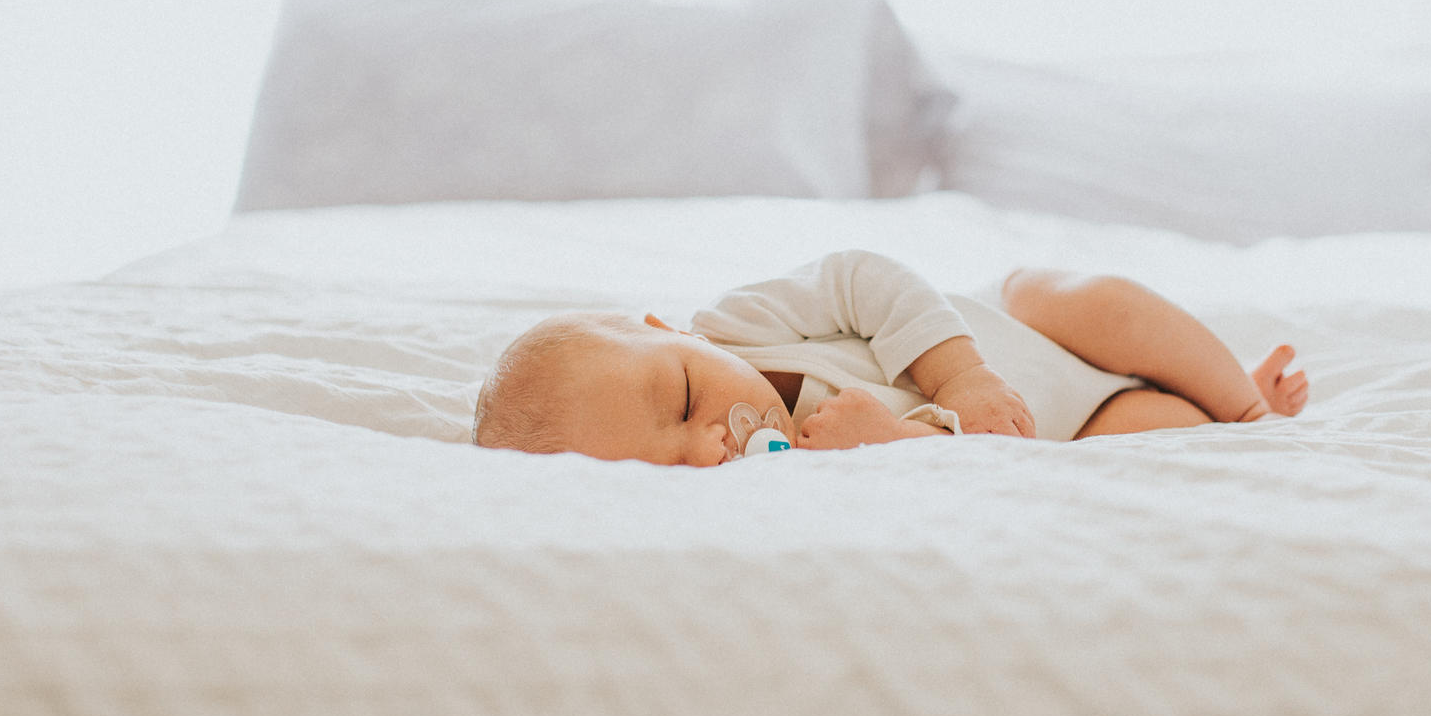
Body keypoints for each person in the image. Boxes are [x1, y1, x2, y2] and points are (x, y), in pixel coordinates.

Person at [471, 250, 1307, 465]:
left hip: (1029, 335)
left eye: (685, 396)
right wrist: (896, 444)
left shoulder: (736, 322)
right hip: (1072, 424)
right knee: (1153, 444)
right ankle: (1218, 414)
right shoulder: (794, 470)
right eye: (668, 465)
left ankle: (1244, 401)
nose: (708, 443)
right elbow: (983, 473)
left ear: (672, 331)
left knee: (1082, 297)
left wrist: (964, 377)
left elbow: (863, 277)